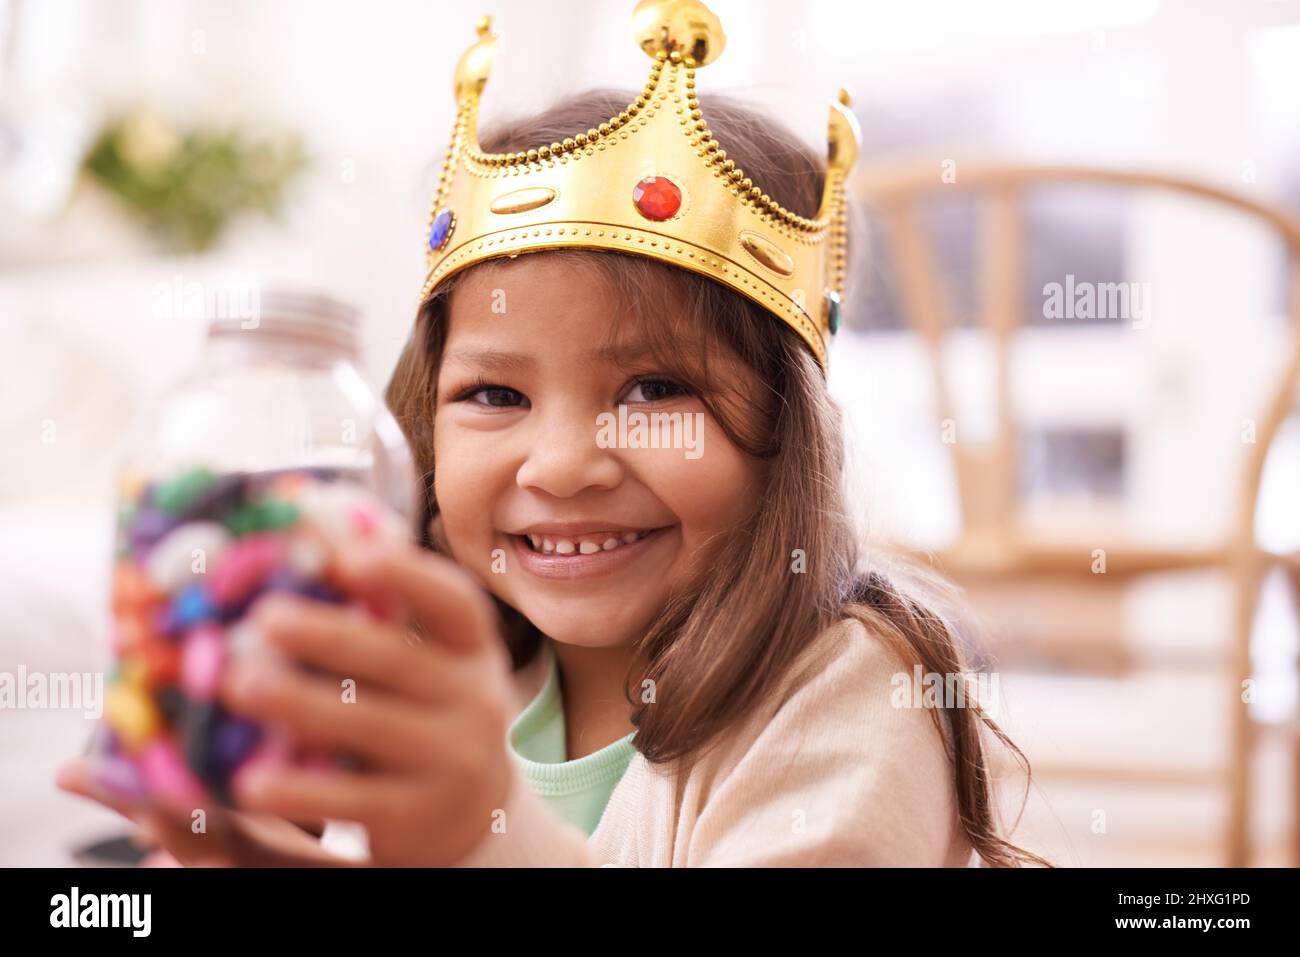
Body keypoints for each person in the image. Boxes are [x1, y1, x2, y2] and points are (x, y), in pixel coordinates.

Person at [59, 0, 1049, 867]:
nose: (565, 466)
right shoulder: (427, 678)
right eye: (493, 395)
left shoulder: (850, 691)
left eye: (656, 387)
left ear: (786, 433)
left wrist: (479, 835)